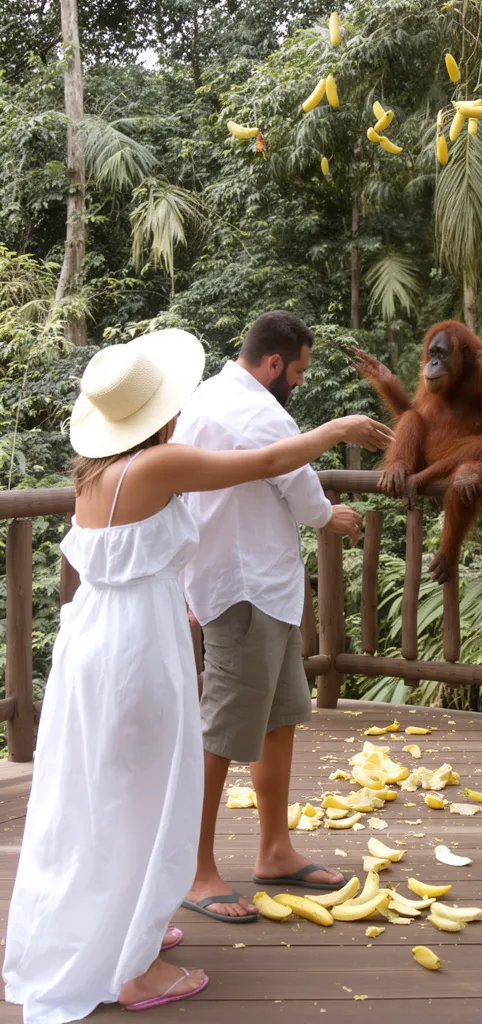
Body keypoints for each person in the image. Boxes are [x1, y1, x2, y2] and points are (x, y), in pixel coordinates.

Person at [3, 327, 392, 1024]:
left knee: (108, 793)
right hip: (130, 648)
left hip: (102, 637)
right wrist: (334, 429)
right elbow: (266, 461)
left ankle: (125, 932)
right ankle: (135, 971)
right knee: (144, 794)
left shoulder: (96, 472)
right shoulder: (155, 468)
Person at [173, 310, 381, 923]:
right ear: (272, 365)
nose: (298, 381)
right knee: (223, 732)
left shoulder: (207, 395)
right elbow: (295, 483)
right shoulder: (261, 412)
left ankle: (274, 849)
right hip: (246, 588)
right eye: (297, 371)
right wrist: (329, 518)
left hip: (255, 583)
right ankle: (196, 867)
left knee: (277, 718)